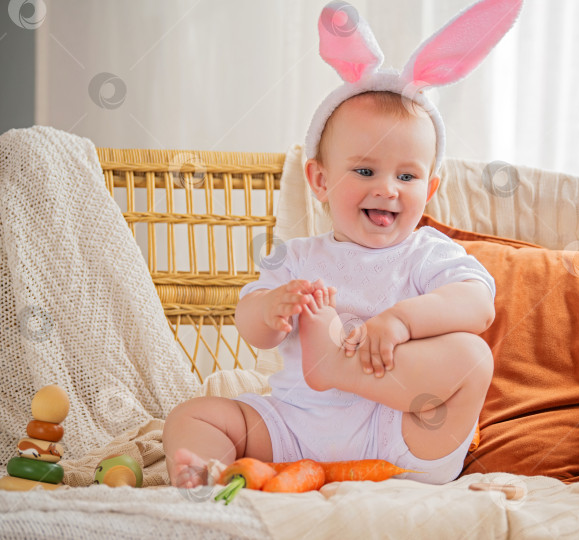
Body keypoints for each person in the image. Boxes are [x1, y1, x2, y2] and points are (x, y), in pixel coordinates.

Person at [163, 0, 522, 488]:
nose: (388, 188)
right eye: (365, 170)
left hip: (403, 432)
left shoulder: (426, 252)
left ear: (430, 190)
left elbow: (478, 305)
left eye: (407, 175)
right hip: (293, 429)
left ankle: (339, 366)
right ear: (319, 179)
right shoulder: (298, 257)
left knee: (472, 357)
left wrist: (400, 319)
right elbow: (250, 325)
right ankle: (210, 483)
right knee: (195, 415)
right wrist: (272, 308)